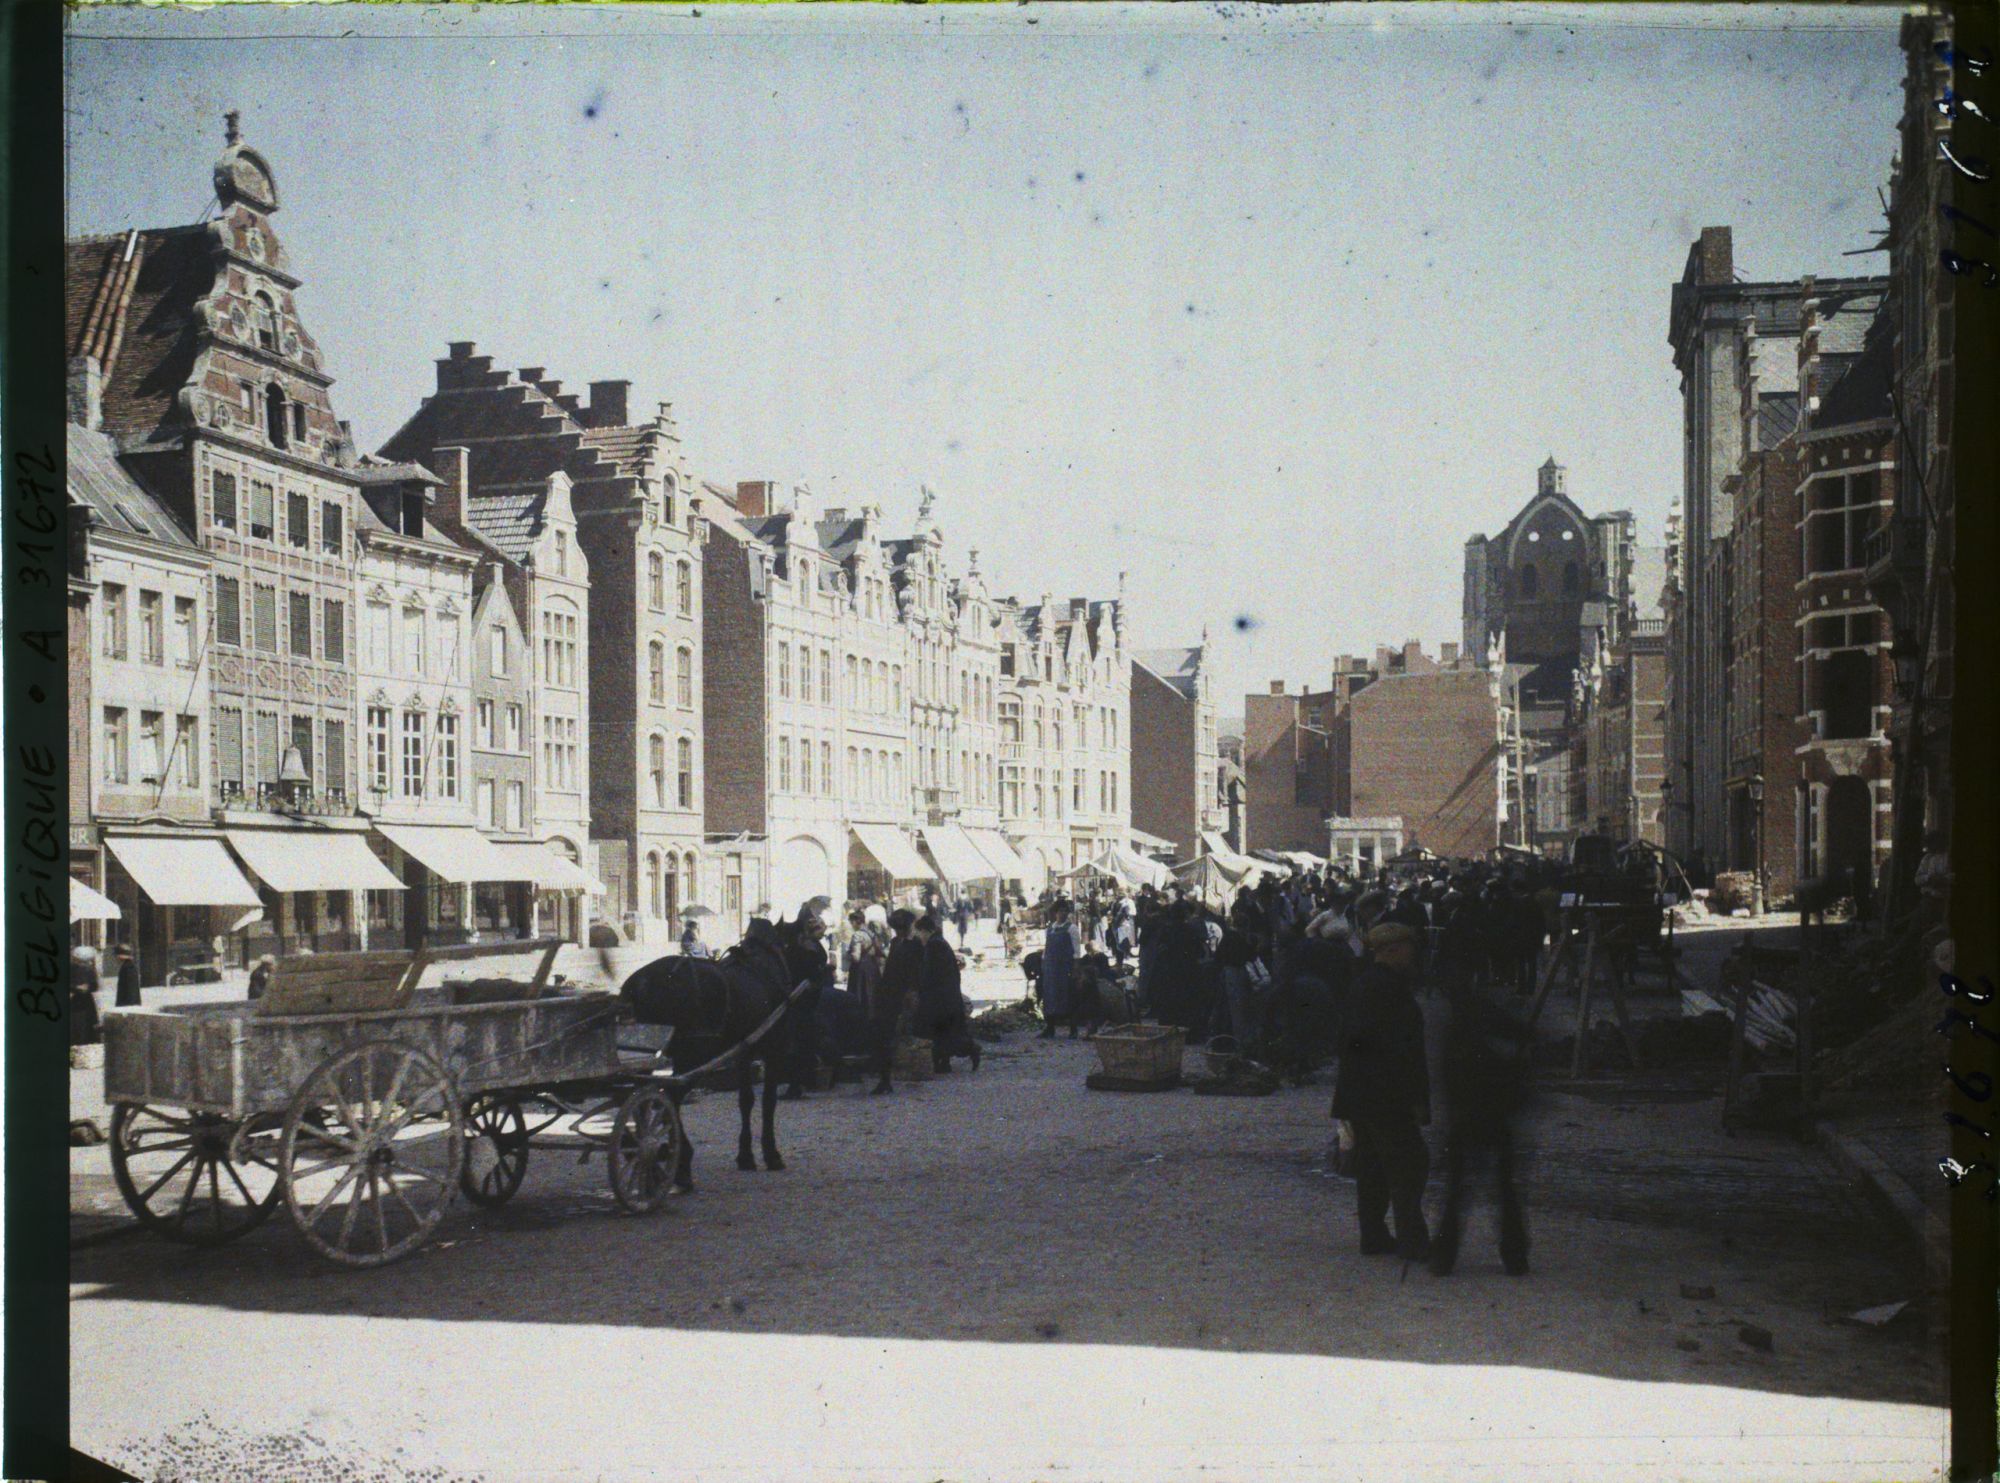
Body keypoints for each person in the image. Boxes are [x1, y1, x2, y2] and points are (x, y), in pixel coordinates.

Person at [1331, 922, 1431, 1260]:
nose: (1412, 954)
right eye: (1408, 947)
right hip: (1385, 1094)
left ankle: (1374, 1236)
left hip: (1365, 1091)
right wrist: (1410, 1095)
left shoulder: (1368, 984)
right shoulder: (1384, 989)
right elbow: (1394, 1047)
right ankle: (1413, 1241)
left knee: (1373, 1167)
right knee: (1409, 1165)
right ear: (1392, 950)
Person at [1429, 960, 1532, 1277]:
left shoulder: (1459, 1022)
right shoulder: (1490, 1016)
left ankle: (1444, 1257)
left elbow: (1448, 1077)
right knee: (1502, 1188)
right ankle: (1514, 1257)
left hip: (1470, 1115)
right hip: (1493, 1114)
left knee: (1459, 1188)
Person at [914, 914, 981, 1072]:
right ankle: (944, 1062)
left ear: (926, 930)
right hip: (946, 996)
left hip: (941, 998)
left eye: (920, 932)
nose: (919, 936)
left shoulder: (934, 945)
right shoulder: (938, 942)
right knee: (944, 1032)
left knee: (943, 1032)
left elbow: (930, 973)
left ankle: (970, 1050)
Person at [870, 909, 922, 1095]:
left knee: (893, 1035)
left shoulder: (914, 945)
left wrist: (912, 993)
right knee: (885, 1035)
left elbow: (915, 971)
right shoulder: (896, 943)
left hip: (901, 995)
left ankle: (888, 1076)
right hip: (888, 994)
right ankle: (885, 1078)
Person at [1038, 901, 1079, 1039]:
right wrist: (1043, 964)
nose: (1063, 914)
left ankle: (1073, 1030)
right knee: (1049, 997)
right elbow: (1046, 947)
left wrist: (1075, 968)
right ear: (1055, 913)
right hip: (1050, 968)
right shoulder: (1049, 929)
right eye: (1060, 911)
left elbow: (1076, 951)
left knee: (1067, 997)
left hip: (1064, 967)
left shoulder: (1072, 928)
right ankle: (1050, 1028)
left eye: (1065, 911)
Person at [70, 945, 103, 1046]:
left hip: (77, 1000)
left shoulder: (74, 969)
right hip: (83, 1001)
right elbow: (95, 986)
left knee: (77, 1022)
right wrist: (84, 988)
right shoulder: (89, 970)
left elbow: (95, 986)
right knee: (83, 1022)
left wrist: (77, 988)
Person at [113, 943, 142, 1009]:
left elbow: (131, 989)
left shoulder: (128, 968)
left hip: (127, 1005)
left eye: (117, 956)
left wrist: (129, 1007)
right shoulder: (127, 966)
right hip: (127, 1004)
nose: (116, 958)